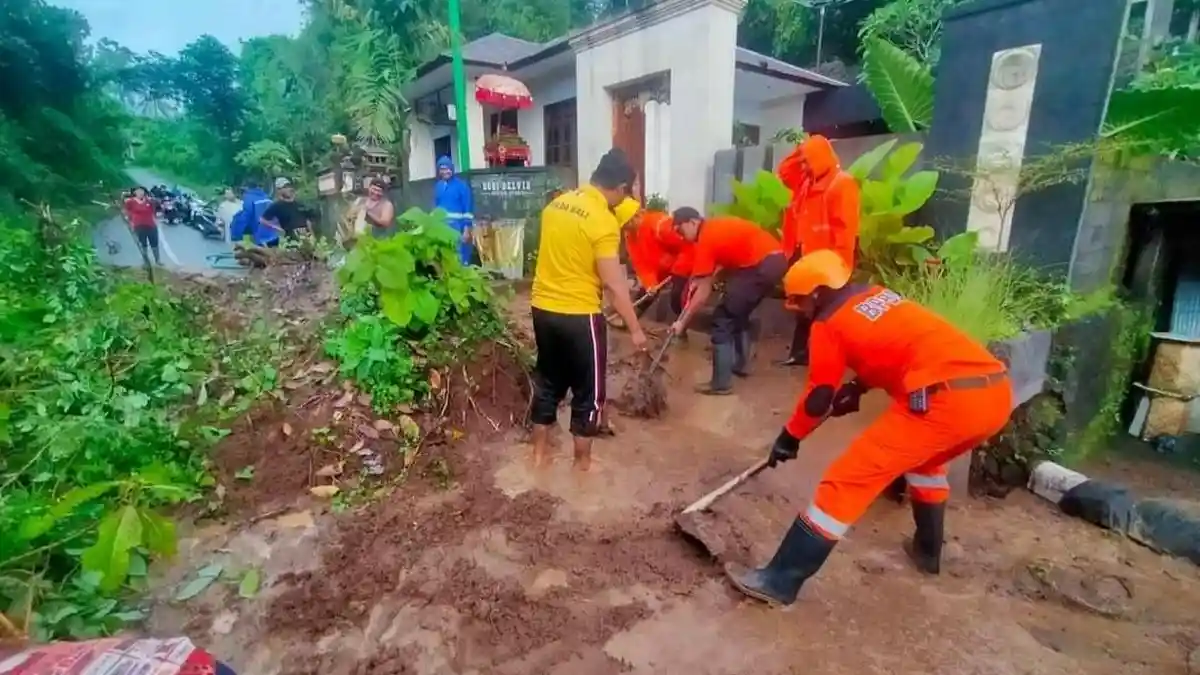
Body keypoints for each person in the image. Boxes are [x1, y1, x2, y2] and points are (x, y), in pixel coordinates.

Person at [726, 250, 1012, 607]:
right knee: (926, 465)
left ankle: (779, 581)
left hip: (945, 403)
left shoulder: (828, 325)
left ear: (817, 293)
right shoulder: (879, 296)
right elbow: (894, 346)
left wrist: (790, 437)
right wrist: (858, 387)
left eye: (798, 301)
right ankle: (927, 552)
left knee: (846, 481)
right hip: (994, 395)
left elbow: (817, 399)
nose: (794, 308)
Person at [528, 149, 646, 472]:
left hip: (542, 310)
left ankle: (538, 459)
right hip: (580, 316)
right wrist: (635, 329)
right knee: (589, 393)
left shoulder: (557, 205)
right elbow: (614, 284)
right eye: (627, 193)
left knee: (549, 383)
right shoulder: (603, 221)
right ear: (620, 188)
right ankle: (582, 470)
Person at [669, 211, 786, 395]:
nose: (681, 236)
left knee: (723, 318)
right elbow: (723, 262)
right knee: (738, 311)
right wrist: (704, 278)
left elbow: (702, 293)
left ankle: (721, 383)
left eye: (681, 230)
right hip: (775, 260)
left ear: (693, 222)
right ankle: (740, 365)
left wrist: (682, 323)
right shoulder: (715, 228)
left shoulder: (705, 238)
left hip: (760, 265)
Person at [776, 134, 861, 367]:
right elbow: (784, 171)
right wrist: (802, 149)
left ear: (821, 159)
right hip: (808, 256)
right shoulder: (807, 181)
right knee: (804, 308)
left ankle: (828, 358)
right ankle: (801, 354)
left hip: (828, 262)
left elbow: (846, 229)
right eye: (803, 162)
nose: (802, 166)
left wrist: (840, 267)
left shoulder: (842, 183)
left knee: (828, 311)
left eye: (807, 161)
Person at [616, 198, 694, 322]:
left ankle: (682, 326)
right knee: (645, 293)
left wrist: (678, 268)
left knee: (677, 297)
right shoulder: (631, 236)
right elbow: (640, 264)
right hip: (661, 270)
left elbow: (689, 245)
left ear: (637, 216)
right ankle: (630, 321)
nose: (626, 228)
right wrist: (650, 284)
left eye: (627, 224)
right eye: (624, 226)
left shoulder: (660, 225)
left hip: (684, 265)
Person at [433, 156, 475, 265]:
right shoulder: (438, 186)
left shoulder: (462, 186)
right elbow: (436, 208)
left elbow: (468, 210)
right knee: (445, 257)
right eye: (442, 169)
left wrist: (466, 230)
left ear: (452, 169)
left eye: (448, 168)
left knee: (459, 256)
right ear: (439, 171)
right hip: (442, 228)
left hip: (457, 228)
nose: (445, 171)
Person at [123, 186, 161, 265]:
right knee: (142, 244)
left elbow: (158, 205)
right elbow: (126, 211)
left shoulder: (149, 201)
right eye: (138, 191)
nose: (140, 193)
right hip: (138, 226)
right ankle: (145, 261)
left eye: (142, 191)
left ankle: (158, 260)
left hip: (151, 225)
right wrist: (128, 218)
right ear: (134, 193)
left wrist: (153, 201)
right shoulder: (130, 202)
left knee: (154, 243)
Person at [231, 181, 275, 247]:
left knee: (248, 252)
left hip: (255, 235)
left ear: (246, 189)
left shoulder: (249, 199)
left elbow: (244, 219)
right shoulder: (268, 199)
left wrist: (236, 234)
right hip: (271, 235)